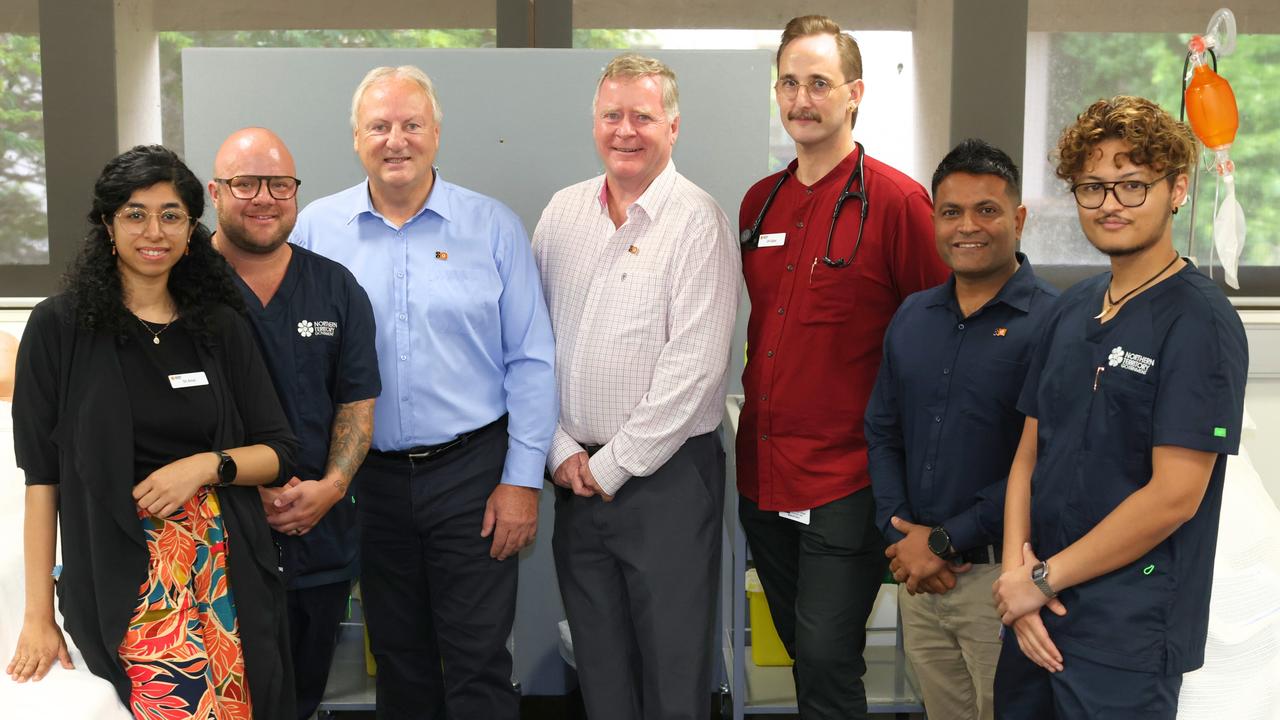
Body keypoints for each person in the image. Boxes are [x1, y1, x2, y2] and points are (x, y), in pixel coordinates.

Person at [291, 65, 557, 719]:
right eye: (379, 126)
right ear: (356, 137)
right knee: (400, 661)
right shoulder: (315, 233)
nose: (396, 140)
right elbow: (289, 360)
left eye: (412, 124)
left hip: (473, 475)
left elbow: (532, 360)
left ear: (436, 133)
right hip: (365, 482)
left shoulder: (492, 227)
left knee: (477, 663)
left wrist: (523, 480)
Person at [6, 145, 298, 719]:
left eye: (171, 215)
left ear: (191, 229)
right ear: (107, 225)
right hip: (123, 570)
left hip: (225, 566)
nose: (154, 231)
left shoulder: (219, 325)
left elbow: (281, 453)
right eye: (135, 214)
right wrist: (38, 616)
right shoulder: (58, 328)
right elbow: (43, 480)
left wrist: (205, 466)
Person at [991, 96, 1248, 719]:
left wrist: (1041, 581)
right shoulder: (1070, 310)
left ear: (1176, 188)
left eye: (1133, 186)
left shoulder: (1199, 322)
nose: (1111, 204)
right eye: (1094, 186)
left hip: (1124, 636)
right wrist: (1016, 575)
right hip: (1032, 618)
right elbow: (1028, 456)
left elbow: (1173, 498)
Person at [736, 15, 950, 719]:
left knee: (827, 659)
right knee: (805, 650)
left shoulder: (897, 203)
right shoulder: (758, 203)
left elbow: (939, 344)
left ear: (854, 93)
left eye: (820, 83)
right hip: (764, 475)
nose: (803, 98)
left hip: (847, 478)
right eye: (790, 83)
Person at [532, 54, 740, 720]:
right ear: (594, 123)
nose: (627, 130)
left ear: (672, 126)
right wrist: (561, 449)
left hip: (668, 483)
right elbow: (530, 345)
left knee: (673, 674)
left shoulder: (697, 220)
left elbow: (695, 368)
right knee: (599, 670)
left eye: (642, 116)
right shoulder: (562, 214)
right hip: (575, 479)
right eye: (612, 115)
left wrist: (610, 465)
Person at [865, 139, 1058, 720]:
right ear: (934, 220)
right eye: (951, 212)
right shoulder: (913, 315)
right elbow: (882, 430)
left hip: (1004, 583)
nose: (967, 226)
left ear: (1018, 219)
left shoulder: (1055, 323)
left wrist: (943, 542)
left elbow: (1047, 460)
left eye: (987, 210)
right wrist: (902, 537)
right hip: (921, 580)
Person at [209, 127, 380, 719]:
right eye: (245, 183)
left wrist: (330, 490)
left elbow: (357, 403)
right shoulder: (179, 287)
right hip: (216, 539)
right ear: (214, 192)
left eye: (279, 184)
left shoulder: (335, 287)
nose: (264, 197)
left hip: (318, 537)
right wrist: (241, 494)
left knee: (299, 699)